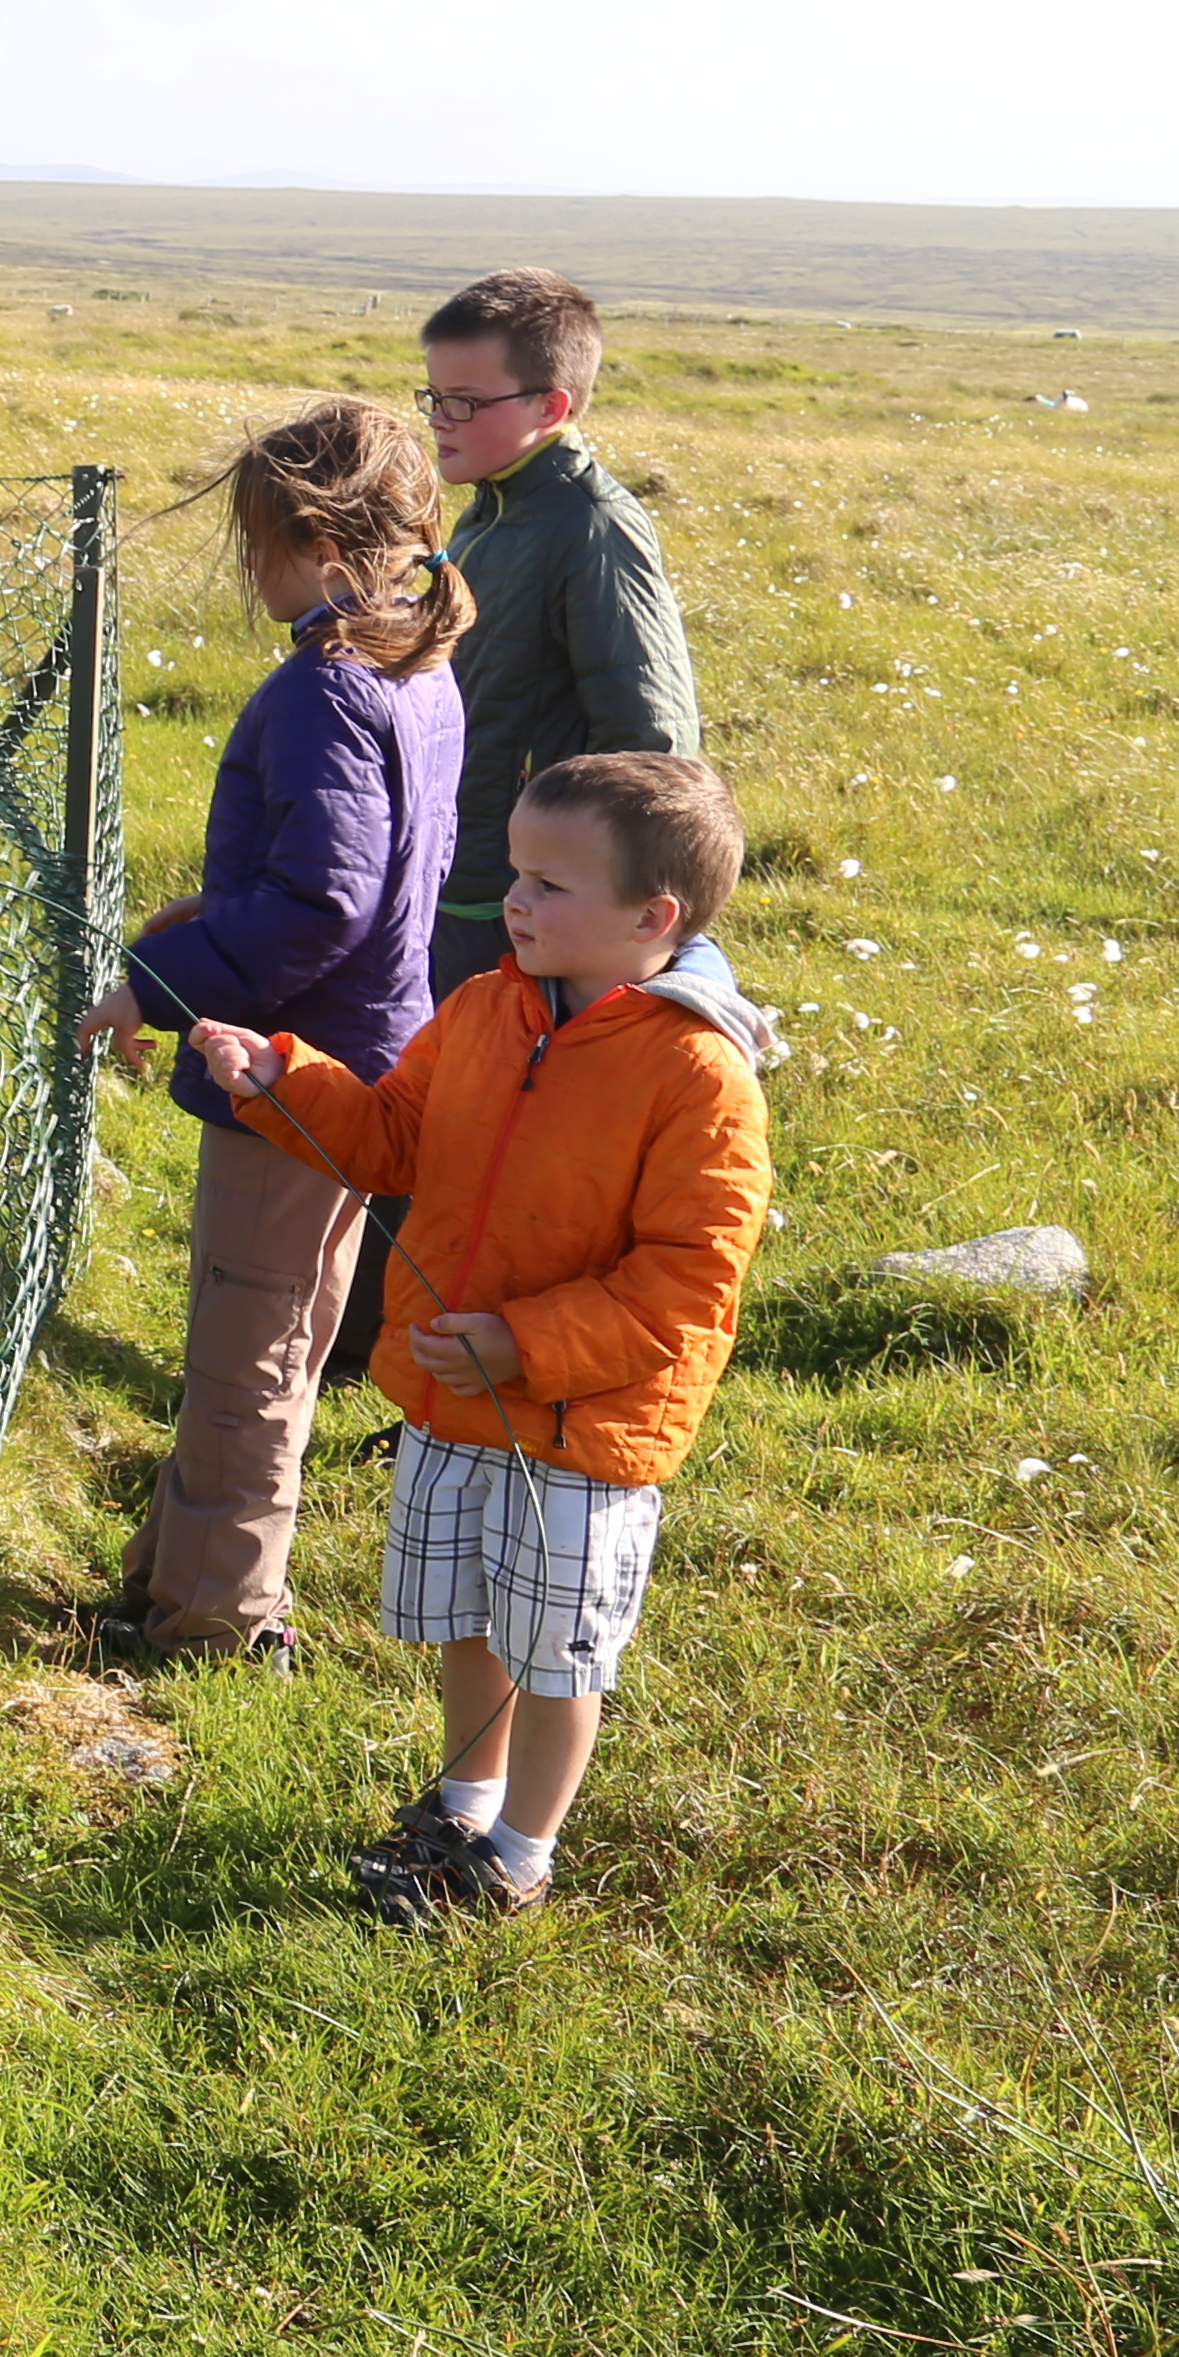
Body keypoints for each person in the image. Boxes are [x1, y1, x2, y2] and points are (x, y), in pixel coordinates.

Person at [186, 752, 777, 1923]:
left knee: (556, 1651)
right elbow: (393, 1140)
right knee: (461, 1613)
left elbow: (689, 1282)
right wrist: (281, 1081)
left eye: (550, 885)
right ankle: (462, 1807)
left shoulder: (700, 1080)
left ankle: (519, 1853)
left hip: (581, 1424)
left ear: (651, 917)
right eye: (514, 871)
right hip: (456, 1395)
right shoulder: (484, 1010)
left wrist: (523, 1343)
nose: (514, 901)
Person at [81, 396, 470, 1668]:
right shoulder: (418, 668)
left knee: (254, 1345)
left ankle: (219, 1622)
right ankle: (174, 1578)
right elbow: (370, 872)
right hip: (366, 1053)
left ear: (318, 543)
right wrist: (207, 914)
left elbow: (323, 900)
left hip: (294, 1072)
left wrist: (157, 976)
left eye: (258, 541)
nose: (248, 568)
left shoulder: (325, 688)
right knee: (281, 1330)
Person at [327, 266, 705, 1386]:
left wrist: (589, 916)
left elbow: (654, 752)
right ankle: (371, 1352)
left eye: (468, 402)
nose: (441, 423)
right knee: (427, 1123)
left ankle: (453, 1366)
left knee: (491, 1148)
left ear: (554, 407)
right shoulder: (495, 515)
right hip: (453, 885)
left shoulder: (592, 529)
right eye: (432, 396)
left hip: (517, 908)